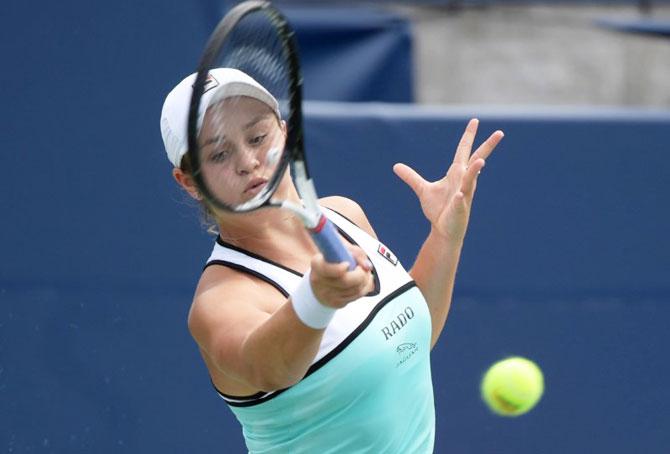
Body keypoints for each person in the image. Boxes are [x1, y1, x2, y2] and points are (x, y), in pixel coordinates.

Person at [160, 67, 503, 453]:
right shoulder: (222, 301)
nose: (248, 161)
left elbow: (405, 347)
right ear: (189, 182)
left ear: (285, 134)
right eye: (220, 153)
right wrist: (316, 299)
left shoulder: (345, 214)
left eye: (257, 137)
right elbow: (272, 368)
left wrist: (445, 237)